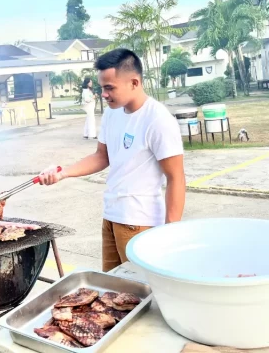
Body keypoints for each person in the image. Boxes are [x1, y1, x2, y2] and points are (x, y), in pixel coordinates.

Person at [38, 49, 186, 272]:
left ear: (134, 83)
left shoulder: (158, 120)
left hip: (139, 221)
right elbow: (101, 156)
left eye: (109, 88)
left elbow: (176, 178)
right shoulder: (112, 113)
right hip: (111, 215)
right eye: (101, 88)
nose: (103, 94)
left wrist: (170, 232)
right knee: (113, 290)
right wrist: (62, 173)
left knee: (140, 291)